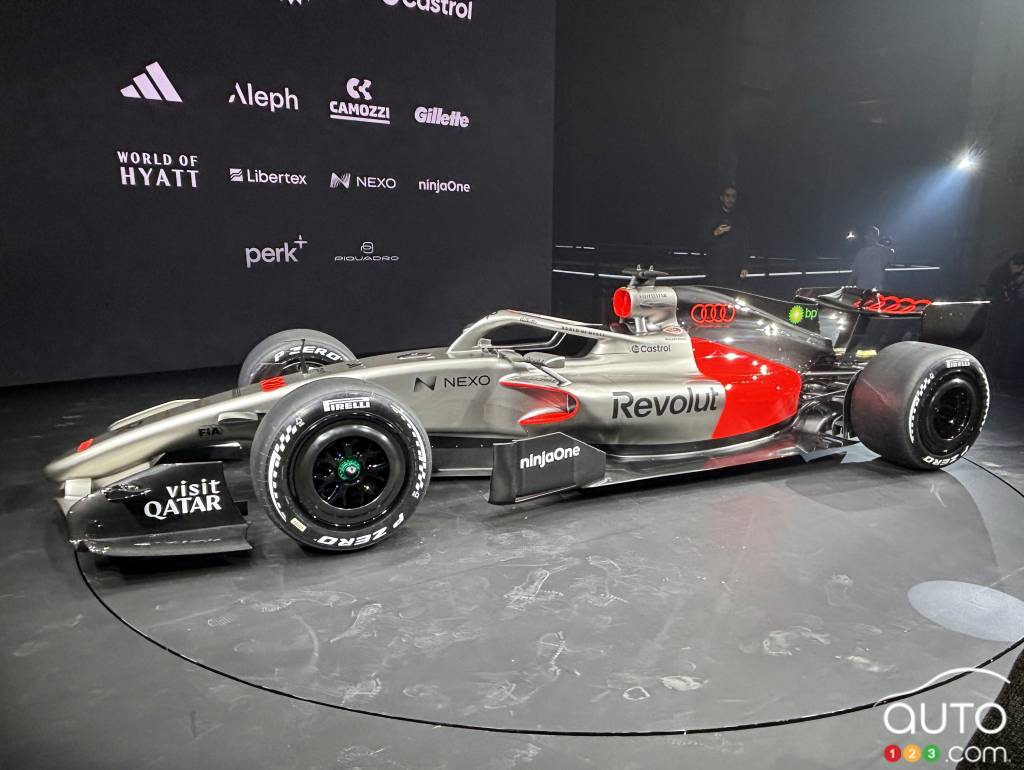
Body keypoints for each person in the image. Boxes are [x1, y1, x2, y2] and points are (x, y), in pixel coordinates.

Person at [701, 185, 750, 286]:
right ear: (721, 197)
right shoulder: (712, 217)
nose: (730, 199)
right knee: (716, 299)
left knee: (733, 298)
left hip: (734, 269)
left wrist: (745, 266)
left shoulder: (740, 219)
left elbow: (744, 243)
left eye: (733, 196)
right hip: (715, 269)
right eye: (727, 196)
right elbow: (702, 241)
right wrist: (715, 233)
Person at [850, 226, 894, 290]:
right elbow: (855, 271)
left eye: (869, 235)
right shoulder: (862, 252)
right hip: (862, 287)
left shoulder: (884, 250)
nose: (866, 237)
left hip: (875, 288)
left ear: (876, 236)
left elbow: (890, 262)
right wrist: (848, 284)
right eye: (866, 235)